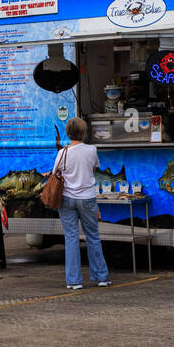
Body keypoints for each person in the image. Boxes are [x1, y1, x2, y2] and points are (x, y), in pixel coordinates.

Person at [53, 117, 110, 289]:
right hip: (87, 197)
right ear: (84, 133)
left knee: (71, 238)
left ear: (68, 134)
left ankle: (74, 281)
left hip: (67, 199)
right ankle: (101, 277)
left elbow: (55, 172)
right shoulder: (91, 150)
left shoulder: (62, 152)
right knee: (93, 236)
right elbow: (94, 168)